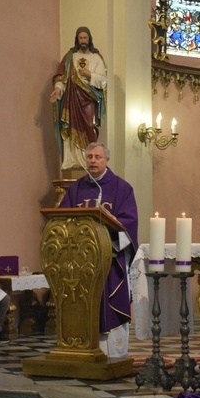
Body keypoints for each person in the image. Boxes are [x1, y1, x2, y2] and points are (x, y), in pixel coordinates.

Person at [59, 142, 138, 358]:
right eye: (89, 157)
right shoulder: (76, 189)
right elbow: (62, 219)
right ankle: (84, 352)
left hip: (109, 261)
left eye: (97, 157)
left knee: (108, 304)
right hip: (81, 263)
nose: (93, 161)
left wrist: (107, 246)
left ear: (106, 160)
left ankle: (113, 355)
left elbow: (129, 224)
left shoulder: (122, 188)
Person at [49, 26, 107, 172]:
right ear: (77, 39)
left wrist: (89, 75)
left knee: (90, 127)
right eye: (80, 38)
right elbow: (62, 77)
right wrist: (58, 89)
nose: (83, 40)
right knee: (70, 128)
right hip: (72, 98)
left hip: (89, 99)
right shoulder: (70, 57)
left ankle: (87, 160)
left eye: (85, 38)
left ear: (89, 39)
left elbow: (104, 81)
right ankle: (73, 160)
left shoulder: (96, 58)